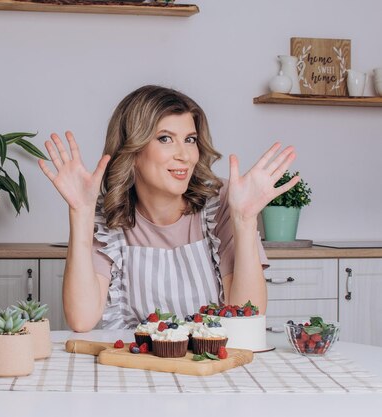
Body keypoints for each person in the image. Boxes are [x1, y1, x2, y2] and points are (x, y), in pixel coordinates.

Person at [38, 85, 299, 332]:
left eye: (190, 139)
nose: (185, 155)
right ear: (133, 150)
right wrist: (81, 214)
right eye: (165, 139)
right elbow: (81, 319)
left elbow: (246, 316)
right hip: (139, 364)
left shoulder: (223, 202)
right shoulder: (108, 215)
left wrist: (244, 220)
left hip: (208, 362)